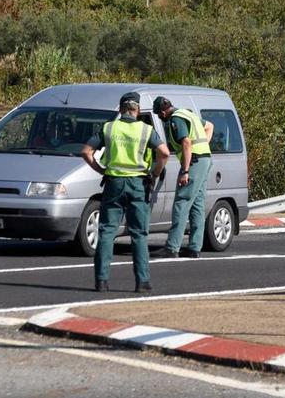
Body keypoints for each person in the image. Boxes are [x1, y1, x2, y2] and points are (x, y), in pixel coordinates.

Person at [81, 92, 169, 292]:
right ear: (137, 110)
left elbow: (86, 151)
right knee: (138, 233)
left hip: (113, 183)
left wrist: (102, 169)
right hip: (138, 183)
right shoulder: (146, 130)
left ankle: (101, 281)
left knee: (106, 232)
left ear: (120, 109)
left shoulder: (109, 127)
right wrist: (154, 173)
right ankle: (142, 282)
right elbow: (164, 153)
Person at [150, 96, 213, 259]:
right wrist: (204, 146)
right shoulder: (187, 113)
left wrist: (185, 171)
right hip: (205, 159)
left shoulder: (175, 119)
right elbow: (210, 126)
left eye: (159, 115)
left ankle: (172, 247)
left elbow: (186, 143)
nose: (160, 118)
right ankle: (194, 248)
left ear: (164, 112)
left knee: (182, 202)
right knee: (197, 204)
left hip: (194, 161)